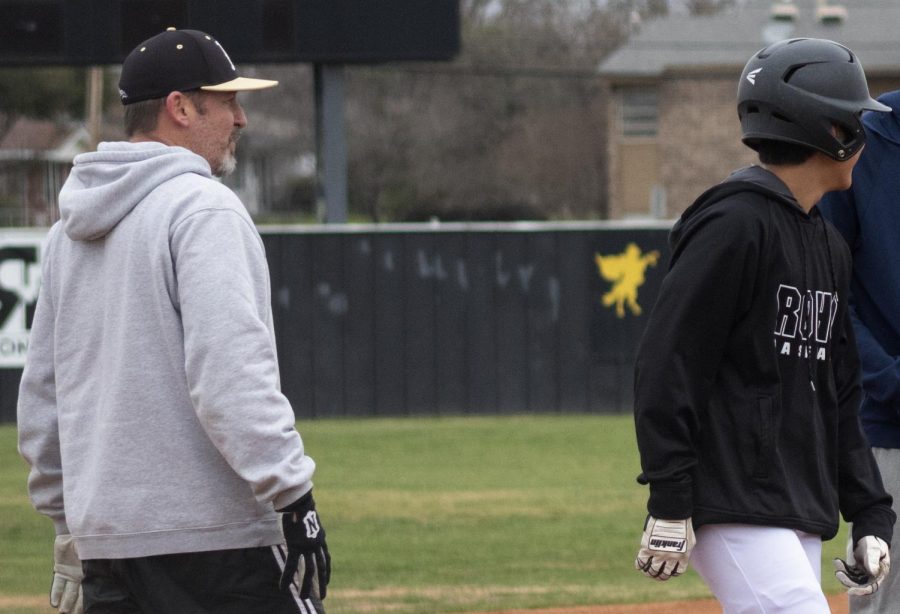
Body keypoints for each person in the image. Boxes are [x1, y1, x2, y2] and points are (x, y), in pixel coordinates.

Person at [17, 28, 330, 614]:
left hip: (108, 551)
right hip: (217, 548)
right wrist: (293, 494)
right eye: (228, 100)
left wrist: (67, 525)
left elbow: (42, 403)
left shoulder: (67, 233)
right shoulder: (202, 207)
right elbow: (230, 377)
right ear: (180, 107)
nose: (241, 119)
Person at [631, 37, 895, 612]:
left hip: (793, 498)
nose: (864, 137)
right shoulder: (734, 223)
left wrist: (871, 510)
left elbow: (839, 393)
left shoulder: (825, 241)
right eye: (856, 121)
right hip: (729, 496)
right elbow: (667, 362)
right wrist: (670, 496)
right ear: (831, 132)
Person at [819, 87, 900, 612]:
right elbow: (826, 290)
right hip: (889, 428)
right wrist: (888, 379)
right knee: (884, 602)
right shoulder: (864, 141)